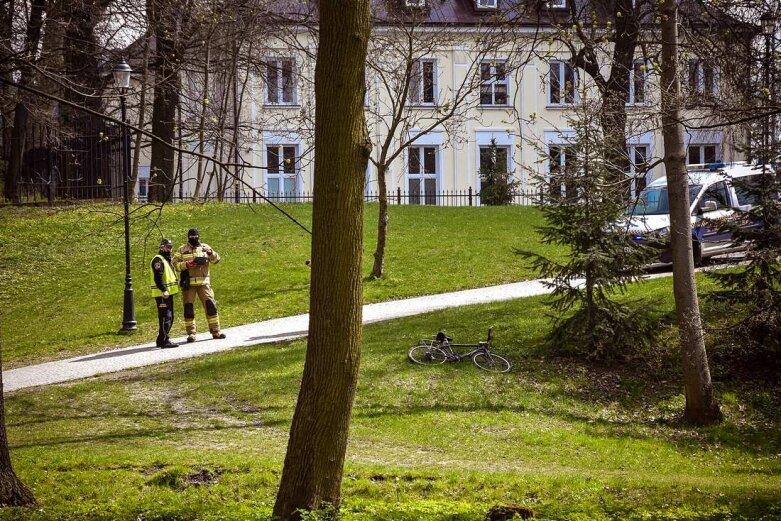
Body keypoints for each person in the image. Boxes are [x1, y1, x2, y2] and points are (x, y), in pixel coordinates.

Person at [173, 228, 226, 342]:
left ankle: (216, 331)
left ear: (198, 236)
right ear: (188, 237)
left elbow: (216, 260)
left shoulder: (205, 247)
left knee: (211, 306)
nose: (194, 238)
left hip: (204, 284)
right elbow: (174, 265)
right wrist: (187, 265)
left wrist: (210, 253)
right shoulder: (182, 249)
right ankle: (191, 333)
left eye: (195, 236)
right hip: (189, 284)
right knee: (188, 308)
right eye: (191, 237)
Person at [150, 238, 179, 348]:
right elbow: (158, 278)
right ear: (162, 247)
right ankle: (165, 340)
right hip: (162, 294)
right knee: (165, 317)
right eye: (168, 247)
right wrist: (164, 290)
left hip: (168, 293)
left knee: (169, 317)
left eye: (171, 247)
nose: (170, 249)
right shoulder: (158, 260)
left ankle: (161, 340)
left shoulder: (166, 259)